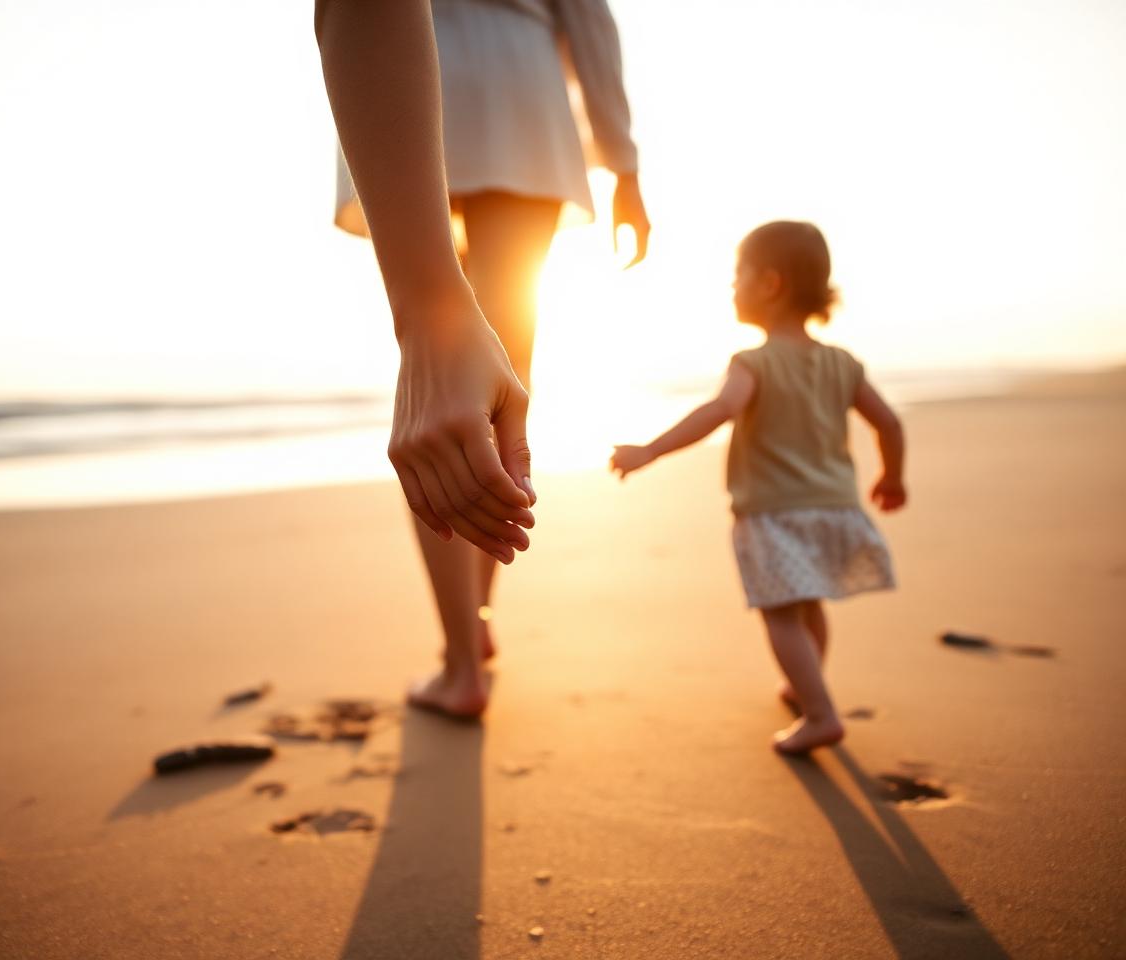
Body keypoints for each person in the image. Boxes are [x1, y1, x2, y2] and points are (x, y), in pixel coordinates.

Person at [328, 0, 650, 718]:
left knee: (439, 370)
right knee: (502, 377)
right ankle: (475, 621)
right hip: (522, 102)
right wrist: (622, 163)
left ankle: (460, 660)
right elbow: (590, 20)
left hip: (403, 78)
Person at [610, 222, 906, 754]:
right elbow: (889, 424)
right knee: (809, 604)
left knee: (781, 613)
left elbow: (720, 410)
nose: (731, 287)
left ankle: (819, 714)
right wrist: (892, 476)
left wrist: (650, 450)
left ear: (769, 283)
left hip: (773, 512)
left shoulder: (754, 363)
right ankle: (804, 685)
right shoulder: (844, 363)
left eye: (736, 276)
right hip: (835, 508)